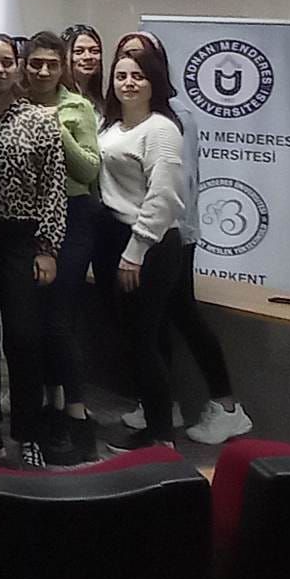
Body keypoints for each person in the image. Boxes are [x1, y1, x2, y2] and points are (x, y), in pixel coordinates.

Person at [112, 32, 253, 446]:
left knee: (182, 315)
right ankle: (163, 405)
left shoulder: (173, 118)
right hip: (144, 233)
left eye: (142, 60)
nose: (131, 70)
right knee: (156, 323)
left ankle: (226, 406)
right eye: (125, 59)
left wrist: (164, 235)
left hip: (172, 233)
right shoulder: (117, 117)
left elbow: (177, 184)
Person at [0, 33, 65, 469]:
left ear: (18, 66)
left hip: (21, 238)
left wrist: (48, 247)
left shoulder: (39, 120)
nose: (0, 69)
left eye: (7, 61)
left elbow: (54, 186)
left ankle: (28, 433)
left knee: (23, 336)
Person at [96, 45, 187, 451]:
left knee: (144, 341)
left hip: (149, 245)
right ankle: (154, 427)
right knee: (132, 340)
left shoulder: (161, 129)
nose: (128, 83)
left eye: (138, 76)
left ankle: (161, 437)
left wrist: (136, 251)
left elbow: (163, 196)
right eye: (121, 76)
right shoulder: (111, 127)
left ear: (154, 82)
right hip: (115, 238)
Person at [23, 30, 103, 464]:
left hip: (73, 215)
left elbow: (89, 169)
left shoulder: (77, 107)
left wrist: (54, 127)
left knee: (58, 319)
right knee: (32, 320)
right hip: (27, 219)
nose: (43, 71)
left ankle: (78, 416)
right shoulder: (14, 104)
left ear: (63, 67)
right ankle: (49, 408)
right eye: (35, 63)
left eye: (52, 64)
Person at [62, 24, 106, 121]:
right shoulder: (56, 100)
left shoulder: (103, 104)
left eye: (94, 51)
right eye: (79, 51)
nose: (88, 57)